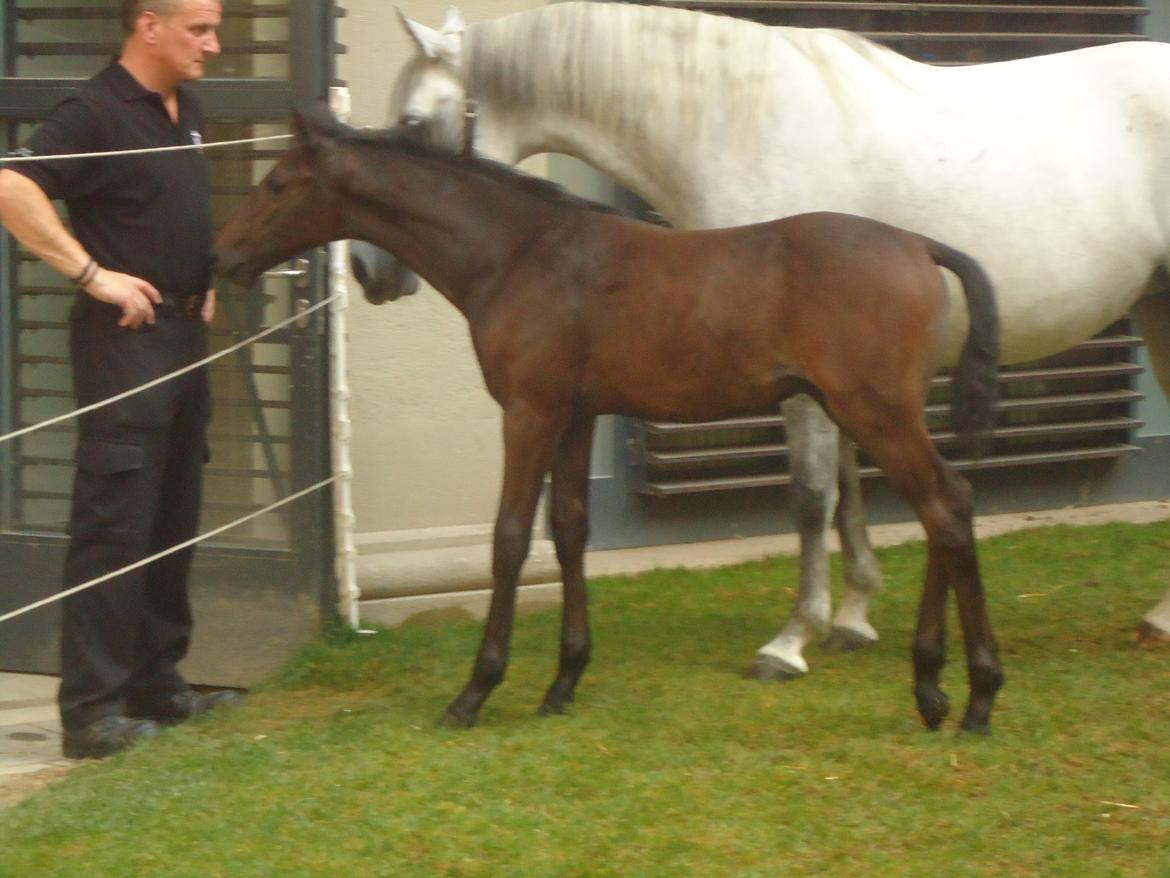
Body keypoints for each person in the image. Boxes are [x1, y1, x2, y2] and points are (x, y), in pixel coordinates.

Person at [0, 0, 241, 759]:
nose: (214, 42)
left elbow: (170, 212)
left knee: (173, 509)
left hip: (182, 341)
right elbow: (11, 187)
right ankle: (92, 712)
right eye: (200, 29)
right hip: (123, 344)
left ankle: (155, 682)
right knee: (115, 522)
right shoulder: (95, 110)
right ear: (150, 27)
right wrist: (93, 275)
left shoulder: (186, 107)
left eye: (216, 27)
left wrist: (203, 282)